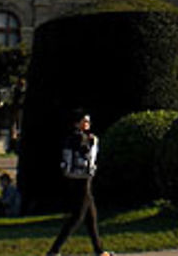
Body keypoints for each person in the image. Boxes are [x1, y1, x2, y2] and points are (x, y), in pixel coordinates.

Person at [45, 110, 111, 256]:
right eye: (85, 120)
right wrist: (93, 143)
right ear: (77, 123)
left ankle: (98, 250)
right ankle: (54, 250)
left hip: (78, 179)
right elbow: (88, 156)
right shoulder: (81, 139)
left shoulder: (73, 138)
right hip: (82, 179)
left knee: (91, 216)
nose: (88, 123)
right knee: (77, 217)